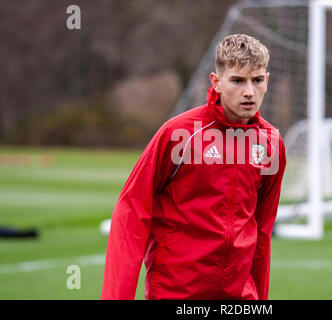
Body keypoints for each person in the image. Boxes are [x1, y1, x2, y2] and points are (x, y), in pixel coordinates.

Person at [101, 34, 286, 300]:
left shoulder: (271, 144)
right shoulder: (179, 134)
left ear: (266, 81)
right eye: (237, 80)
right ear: (217, 82)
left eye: (257, 80)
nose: (249, 92)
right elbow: (131, 210)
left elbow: (262, 229)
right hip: (176, 293)